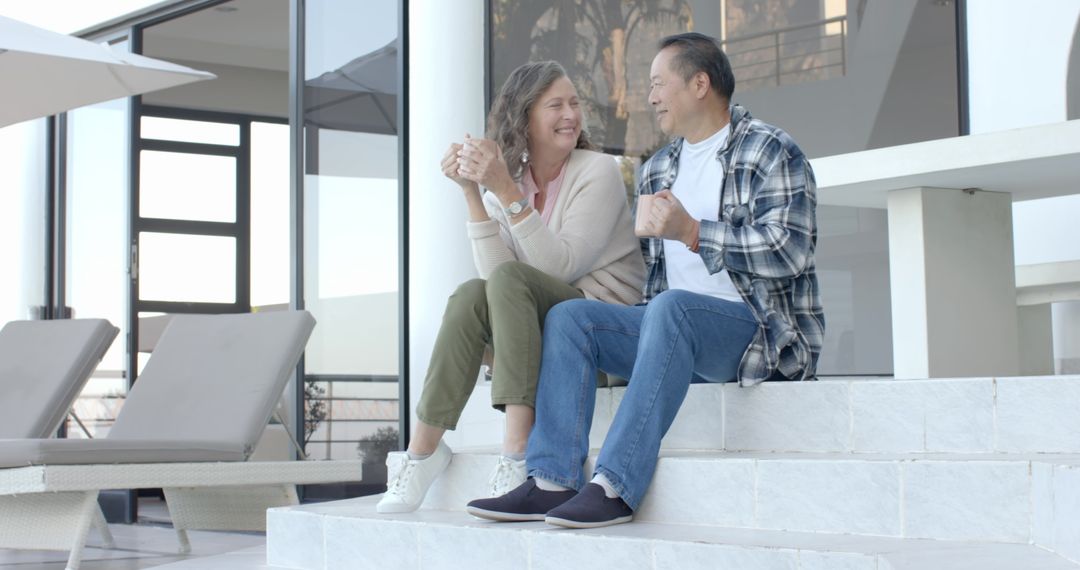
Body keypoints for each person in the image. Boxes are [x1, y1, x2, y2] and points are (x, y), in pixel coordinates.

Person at [466, 32, 824, 528]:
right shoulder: (659, 167)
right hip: (671, 330)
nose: (650, 97)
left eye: (658, 83)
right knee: (571, 318)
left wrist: (694, 232)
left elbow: (791, 251)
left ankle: (614, 486)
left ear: (699, 84)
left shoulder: (770, 149)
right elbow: (650, 277)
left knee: (673, 307)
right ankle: (551, 481)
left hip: (757, 334)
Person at [376, 61, 646, 513]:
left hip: (598, 338)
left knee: (507, 281)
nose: (570, 115)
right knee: (469, 295)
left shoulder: (598, 171)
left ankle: (518, 451)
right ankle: (422, 452)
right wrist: (472, 192)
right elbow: (495, 279)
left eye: (574, 104)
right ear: (524, 117)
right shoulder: (512, 184)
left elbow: (560, 267)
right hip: (542, 336)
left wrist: (505, 191)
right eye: (555, 105)